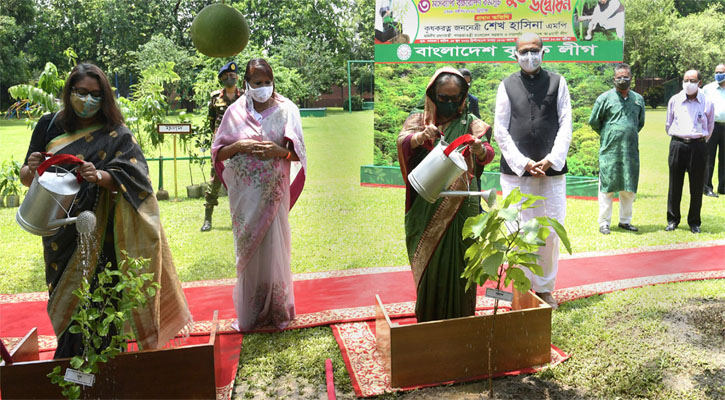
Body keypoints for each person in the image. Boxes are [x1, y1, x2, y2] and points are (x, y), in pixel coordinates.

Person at [20, 63, 191, 358]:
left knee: (103, 302)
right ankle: (76, 366)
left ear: (105, 97)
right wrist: (31, 168)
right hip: (60, 231)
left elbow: (137, 180)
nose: (88, 100)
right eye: (81, 92)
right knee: (66, 297)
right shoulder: (49, 126)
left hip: (104, 234)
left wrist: (97, 175)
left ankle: (98, 366)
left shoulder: (116, 133)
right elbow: (26, 178)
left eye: (96, 95)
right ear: (69, 91)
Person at [211, 58, 307, 331]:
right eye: (257, 83)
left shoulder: (287, 110)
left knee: (276, 247)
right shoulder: (234, 112)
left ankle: (278, 309)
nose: (263, 88)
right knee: (248, 252)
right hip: (245, 196)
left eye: (267, 82)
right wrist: (239, 145)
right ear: (247, 84)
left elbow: (298, 153)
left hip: (274, 191)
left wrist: (277, 152)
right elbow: (218, 152)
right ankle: (251, 312)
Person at [397, 67, 494, 322]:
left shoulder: (472, 123)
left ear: (463, 97)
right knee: (431, 265)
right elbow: (403, 143)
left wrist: (479, 149)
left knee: (462, 262)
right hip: (427, 205)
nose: (450, 104)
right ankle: (428, 320)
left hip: (463, 206)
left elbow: (488, 154)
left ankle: (462, 319)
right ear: (432, 95)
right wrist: (420, 137)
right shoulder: (418, 120)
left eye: (455, 99)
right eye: (443, 98)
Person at [494, 33, 572, 310]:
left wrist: (552, 159)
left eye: (534, 51)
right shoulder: (506, 85)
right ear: (514, 54)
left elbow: (566, 124)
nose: (530, 56)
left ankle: (545, 289)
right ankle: (518, 290)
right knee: (515, 228)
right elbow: (500, 129)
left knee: (549, 231)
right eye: (524, 51)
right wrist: (523, 162)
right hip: (516, 173)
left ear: (543, 51)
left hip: (551, 173)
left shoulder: (557, 82)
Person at [588, 63, 646, 235]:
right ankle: (604, 223)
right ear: (614, 79)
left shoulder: (638, 99)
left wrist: (627, 133)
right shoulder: (604, 98)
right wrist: (609, 133)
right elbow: (594, 121)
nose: (622, 80)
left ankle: (625, 221)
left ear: (631, 78)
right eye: (619, 77)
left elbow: (639, 123)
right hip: (610, 151)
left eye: (625, 77)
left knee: (628, 188)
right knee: (607, 188)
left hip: (630, 152)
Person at [665, 69, 715, 234]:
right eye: (686, 80)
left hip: (698, 146)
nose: (688, 83)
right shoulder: (675, 100)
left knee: (696, 186)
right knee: (675, 184)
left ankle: (694, 222)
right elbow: (668, 123)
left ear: (699, 83)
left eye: (692, 80)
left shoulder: (707, 102)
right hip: (678, 145)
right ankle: (673, 220)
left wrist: (699, 140)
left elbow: (710, 126)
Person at [201, 61, 242, 232]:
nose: (230, 79)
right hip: (221, 143)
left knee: (241, 179)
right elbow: (212, 121)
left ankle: (240, 219)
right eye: (226, 77)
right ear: (222, 79)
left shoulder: (245, 97)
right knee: (215, 178)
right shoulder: (214, 97)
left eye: (233, 76)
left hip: (240, 141)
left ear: (237, 77)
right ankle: (207, 220)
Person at [702, 63, 725, 197]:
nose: (719, 74)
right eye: (716, 71)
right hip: (712, 126)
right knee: (709, 157)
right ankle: (707, 187)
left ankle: (723, 187)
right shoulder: (708, 89)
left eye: (721, 71)